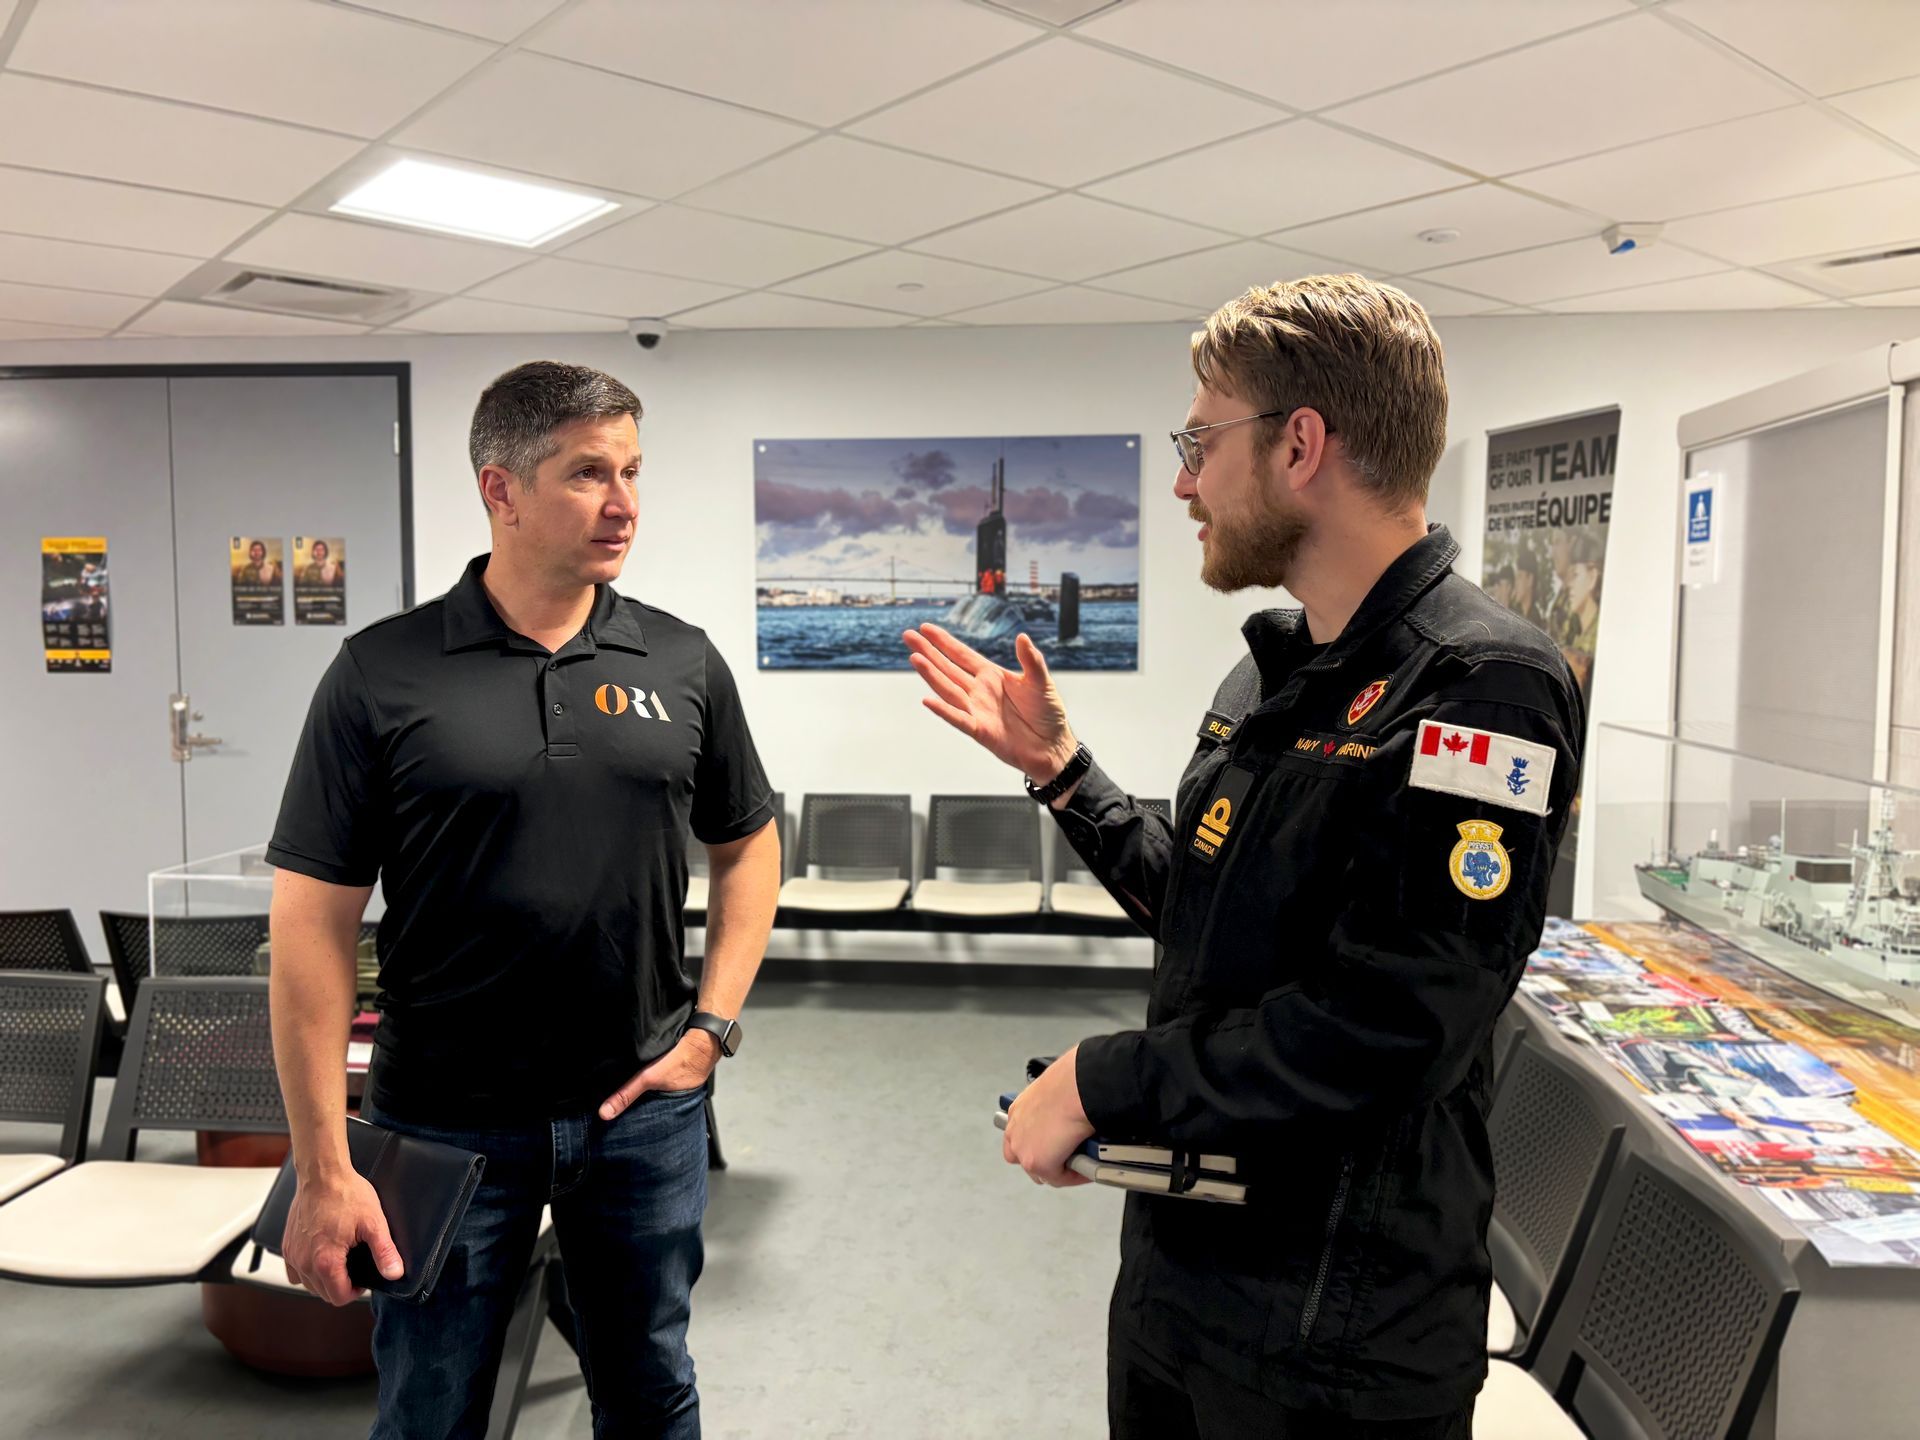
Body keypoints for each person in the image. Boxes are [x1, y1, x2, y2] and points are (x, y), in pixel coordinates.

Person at [904, 275, 1583, 1438]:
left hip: (1339, 1331)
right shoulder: (1274, 669)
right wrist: (1068, 775)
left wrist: (1105, 1078)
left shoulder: (1482, 687)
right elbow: (1212, 908)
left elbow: (1397, 1022)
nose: (1181, 480)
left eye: (1199, 441)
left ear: (1301, 444)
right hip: (1187, 1268)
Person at [267, 360, 780, 1439]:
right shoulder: (382, 672)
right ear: (500, 489)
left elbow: (748, 842)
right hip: (443, 1118)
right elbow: (311, 925)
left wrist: (713, 1030)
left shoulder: (681, 661)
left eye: (633, 471)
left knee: (649, 1386)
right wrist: (322, 1163)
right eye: (590, 473)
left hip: (642, 1108)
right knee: (430, 1404)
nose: (625, 503)